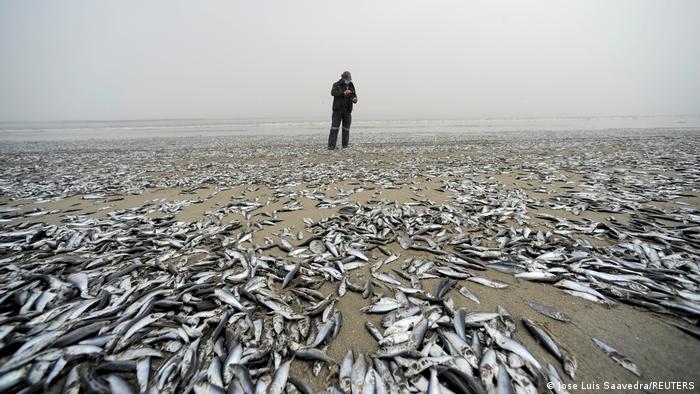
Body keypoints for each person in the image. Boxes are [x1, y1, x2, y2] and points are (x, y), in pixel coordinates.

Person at [328, 71, 357, 149]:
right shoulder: (336, 84)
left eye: (350, 78)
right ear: (343, 78)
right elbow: (333, 93)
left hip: (347, 110)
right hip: (337, 110)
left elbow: (354, 95)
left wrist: (354, 99)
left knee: (346, 128)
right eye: (347, 78)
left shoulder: (351, 85)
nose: (349, 80)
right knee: (334, 128)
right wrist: (343, 93)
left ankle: (345, 145)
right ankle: (331, 145)